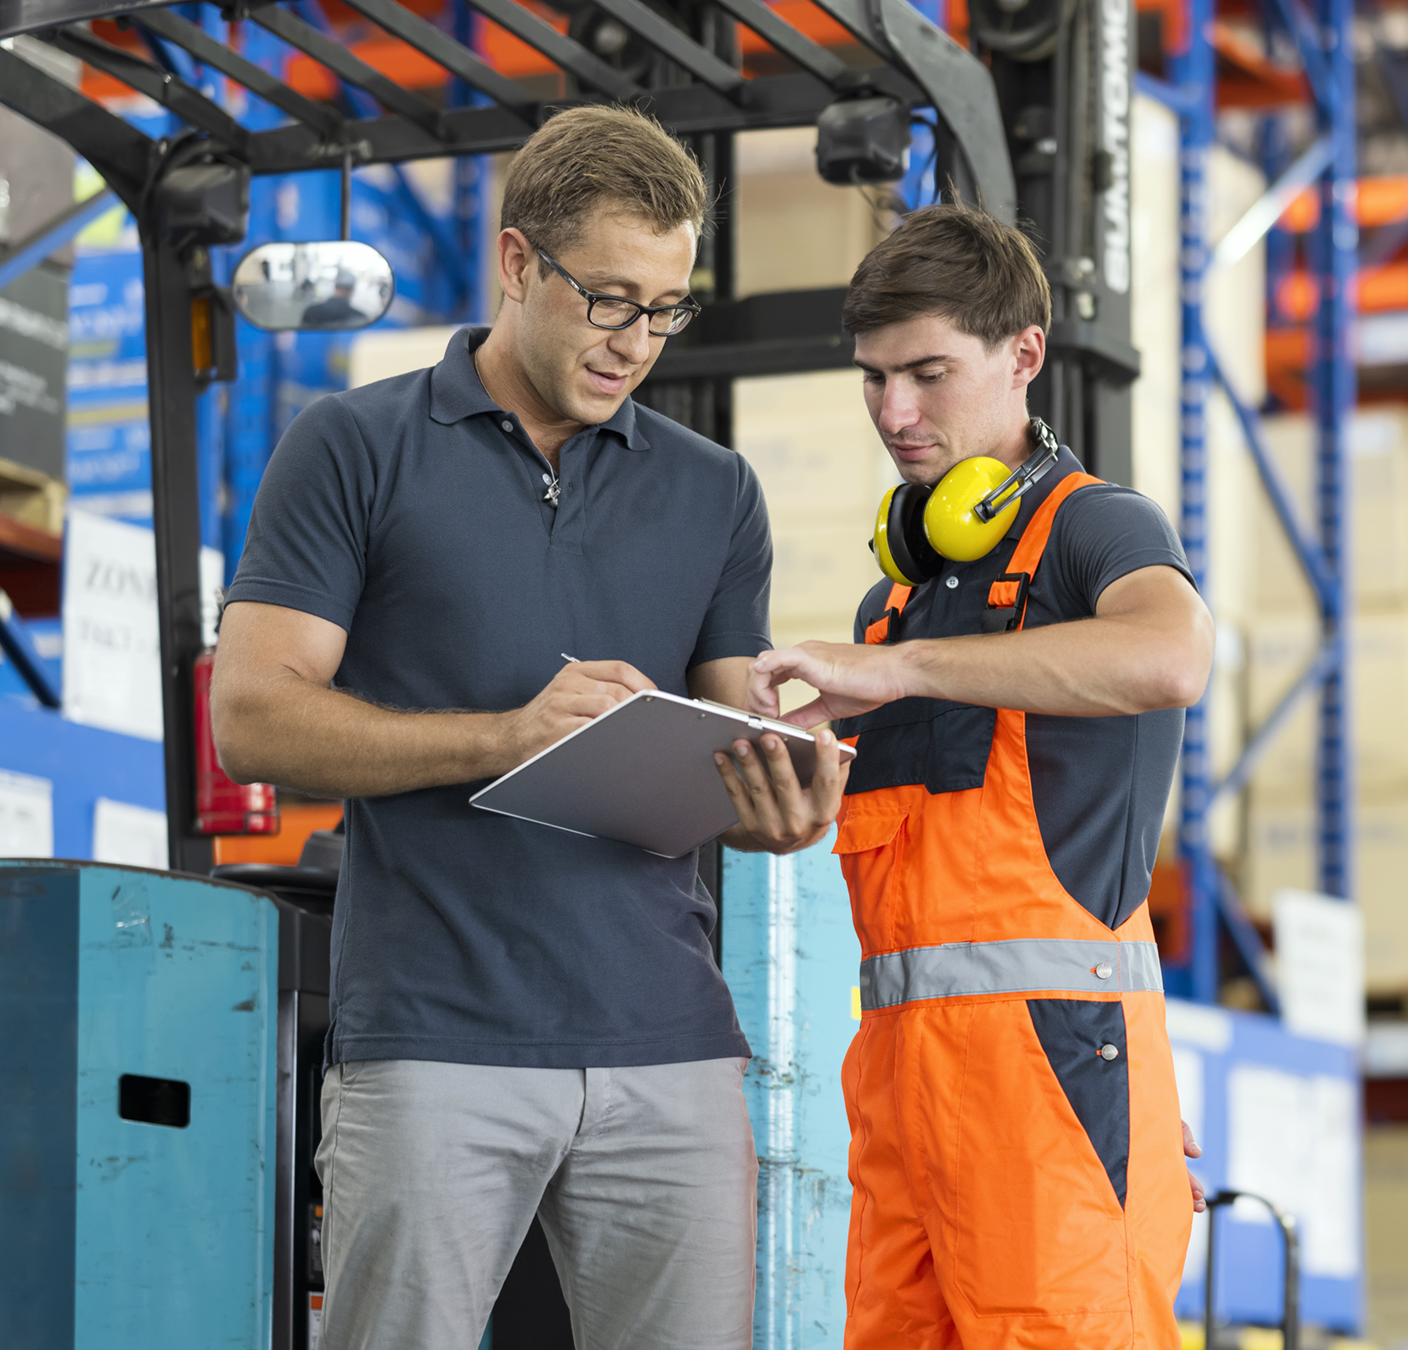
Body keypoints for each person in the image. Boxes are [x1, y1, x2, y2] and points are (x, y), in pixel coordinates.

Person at [209, 104, 847, 1350]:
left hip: (670, 1046)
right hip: (438, 1041)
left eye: (666, 309)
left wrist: (779, 799)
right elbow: (253, 717)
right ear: (516, 263)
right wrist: (506, 737)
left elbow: (723, 735)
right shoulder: (354, 447)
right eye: (610, 299)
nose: (637, 343)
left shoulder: (714, 491)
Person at [745, 203, 1214, 1350]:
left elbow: (1172, 654)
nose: (895, 414)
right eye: (872, 380)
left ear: (1024, 356)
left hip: (1054, 1081)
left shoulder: (1094, 529)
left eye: (928, 374)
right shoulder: (896, 597)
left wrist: (900, 671)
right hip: (905, 1091)